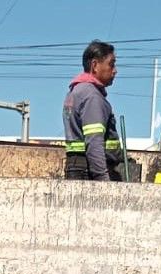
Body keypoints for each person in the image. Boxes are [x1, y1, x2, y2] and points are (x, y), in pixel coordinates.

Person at [62, 40, 123, 181]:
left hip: (77, 167)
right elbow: (94, 142)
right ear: (95, 65)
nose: (115, 70)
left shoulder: (76, 91)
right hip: (89, 171)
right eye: (111, 64)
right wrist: (103, 179)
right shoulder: (92, 96)